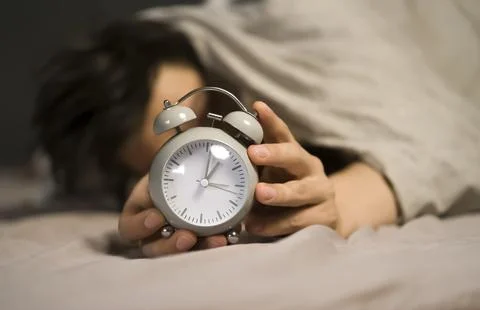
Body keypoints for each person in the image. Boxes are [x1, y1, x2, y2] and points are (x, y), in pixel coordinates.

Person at [33, 0, 480, 257]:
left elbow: (440, 140)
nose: (204, 148)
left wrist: (337, 207)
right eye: (170, 155)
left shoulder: (299, 29)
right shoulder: (91, 143)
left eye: (204, 115)